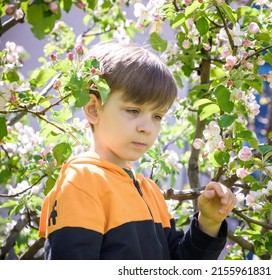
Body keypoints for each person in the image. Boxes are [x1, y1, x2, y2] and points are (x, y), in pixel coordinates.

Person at [38, 42, 236, 260]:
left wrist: (208, 223)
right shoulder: (82, 182)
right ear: (94, 109)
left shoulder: (149, 191)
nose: (147, 127)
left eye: (157, 116)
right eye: (133, 110)